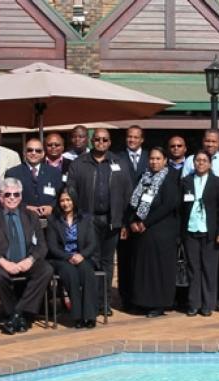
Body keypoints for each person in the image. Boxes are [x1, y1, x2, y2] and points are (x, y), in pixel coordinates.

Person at [0, 178, 52, 334]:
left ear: (21, 197)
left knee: (46, 269)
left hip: (25, 261)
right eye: (8, 194)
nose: (12, 198)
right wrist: (3, 262)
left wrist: (30, 260)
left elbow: (42, 245)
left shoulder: (30, 216)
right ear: (0, 196)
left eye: (16, 194)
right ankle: (18, 316)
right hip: (0, 263)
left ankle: (16, 314)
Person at [66, 128, 132, 315]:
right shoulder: (79, 164)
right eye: (97, 139)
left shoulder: (118, 162)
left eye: (105, 139)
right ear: (91, 141)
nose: (101, 142)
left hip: (112, 220)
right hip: (89, 220)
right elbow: (71, 191)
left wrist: (124, 221)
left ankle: (105, 302)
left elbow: (128, 193)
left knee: (107, 262)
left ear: (110, 142)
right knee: (91, 260)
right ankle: (92, 302)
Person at [128, 147, 179, 317]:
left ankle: (158, 304)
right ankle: (142, 301)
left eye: (158, 159)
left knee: (159, 269)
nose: (154, 162)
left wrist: (145, 222)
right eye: (151, 158)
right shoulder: (144, 177)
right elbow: (135, 201)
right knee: (143, 268)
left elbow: (168, 205)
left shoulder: (170, 178)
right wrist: (133, 221)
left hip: (162, 231)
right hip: (143, 233)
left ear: (165, 160)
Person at [181, 150, 219, 316]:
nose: (200, 163)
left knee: (209, 268)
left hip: (210, 231)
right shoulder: (186, 181)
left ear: (210, 163)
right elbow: (181, 209)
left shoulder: (218, 183)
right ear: (193, 163)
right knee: (193, 268)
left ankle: (208, 304)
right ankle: (194, 303)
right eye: (197, 160)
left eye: (204, 160)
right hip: (191, 230)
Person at [46, 187, 98, 328]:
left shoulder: (86, 218)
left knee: (87, 273)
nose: (65, 203)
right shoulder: (53, 220)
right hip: (62, 259)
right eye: (62, 200)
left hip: (82, 256)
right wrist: (68, 256)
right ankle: (77, 316)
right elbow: (52, 247)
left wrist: (82, 255)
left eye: (68, 200)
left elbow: (92, 243)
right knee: (71, 274)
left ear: (74, 200)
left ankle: (90, 315)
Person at [117, 125, 148, 311]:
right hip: (125, 218)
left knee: (142, 261)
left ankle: (141, 297)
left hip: (145, 219)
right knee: (125, 260)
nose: (132, 140)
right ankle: (126, 299)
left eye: (136, 137)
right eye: (129, 137)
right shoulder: (117, 158)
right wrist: (123, 222)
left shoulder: (150, 157)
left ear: (142, 139)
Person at [5, 137, 62, 218]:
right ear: (24, 153)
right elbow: (7, 198)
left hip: (50, 221)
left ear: (43, 154)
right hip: (23, 219)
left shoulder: (54, 173)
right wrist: (26, 208)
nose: (33, 153)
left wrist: (52, 207)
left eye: (38, 151)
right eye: (30, 150)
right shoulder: (13, 173)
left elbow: (61, 196)